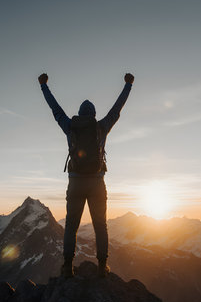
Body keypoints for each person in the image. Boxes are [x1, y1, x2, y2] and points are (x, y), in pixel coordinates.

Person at [38, 72, 135, 277]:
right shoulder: (101, 127)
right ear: (92, 115)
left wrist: (44, 86)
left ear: (80, 114)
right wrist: (128, 85)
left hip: (75, 183)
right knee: (100, 226)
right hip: (97, 183)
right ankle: (102, 267)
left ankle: (67, 267)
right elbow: (117, 109)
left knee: (71, 226)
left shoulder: (69, 126)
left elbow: (55, 110)